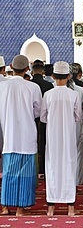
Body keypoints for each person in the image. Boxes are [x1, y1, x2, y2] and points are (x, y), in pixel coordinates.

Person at [0, 55, 42, 216]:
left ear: (11, 67)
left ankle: (5, 206)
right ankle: (20, 208)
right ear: (27, 69)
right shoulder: (32, 88)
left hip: (9, 135)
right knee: (25, 172)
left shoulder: (3, 87)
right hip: (27, 135)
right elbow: (38, 111)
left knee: (8, 171)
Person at [40, 61, 82, 216]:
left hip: (52, 138)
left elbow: (43, 118)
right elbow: (78, 117)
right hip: (68, 137)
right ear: (69, 77)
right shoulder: (74, 95)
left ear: (52, 76)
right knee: (69, 168)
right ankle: (70, 207)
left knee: (52, 169)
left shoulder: (48, 95)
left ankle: (51, 207)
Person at [31, 60, 54, 177]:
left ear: (32, 70)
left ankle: (34, 169)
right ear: (43, 71)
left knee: (31, 144)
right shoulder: (48, 85)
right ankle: (44, 170)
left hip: (31, 120)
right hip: (45, 120)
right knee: (44, 143)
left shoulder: (28, 84)